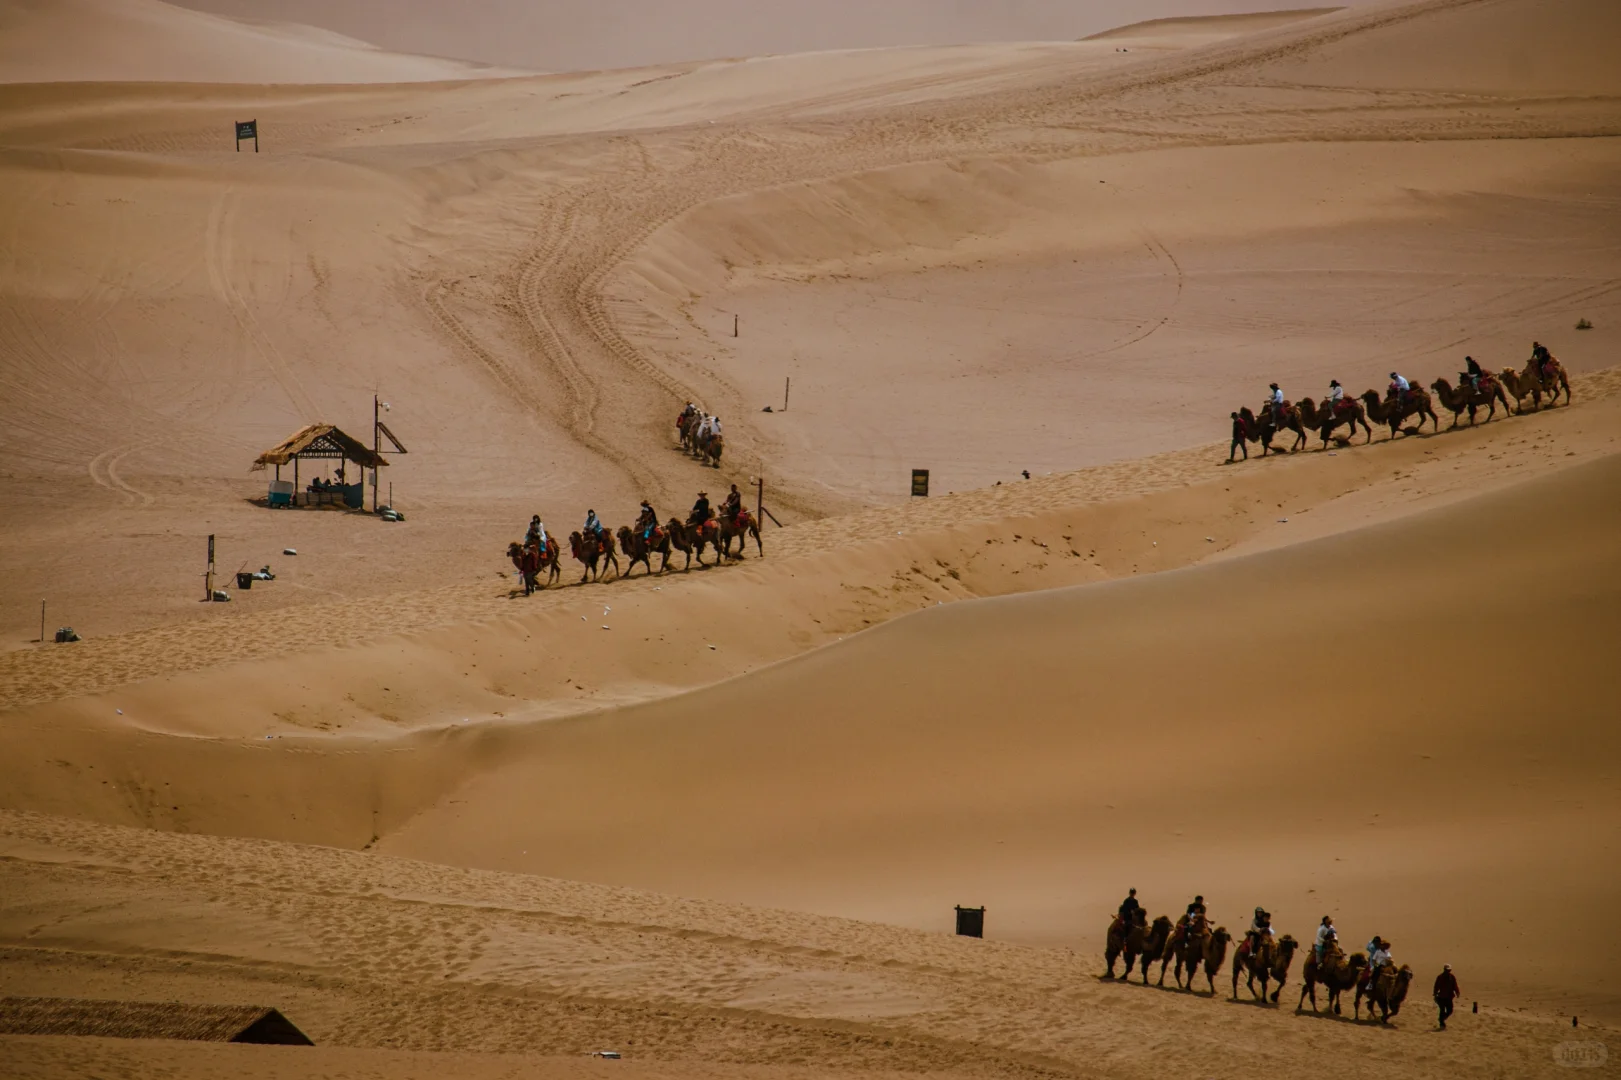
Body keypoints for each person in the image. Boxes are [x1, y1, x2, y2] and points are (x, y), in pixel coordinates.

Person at [1433, 964, 1460, 1029]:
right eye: (1446, 970)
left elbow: (1455, 985)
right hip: (1441, 997)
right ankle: (1442, 1023)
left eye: (1449, 970)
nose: (1448, 971)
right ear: (1444, 970)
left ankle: (1441, 1019)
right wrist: (1435, 993)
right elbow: (1436, 986)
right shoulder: (1440, 977)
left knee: (1450, 1010)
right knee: (1442, 1010)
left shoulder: (1452, 977)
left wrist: (1457, 992)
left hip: (1449, 997)